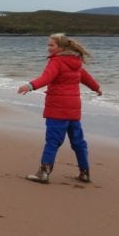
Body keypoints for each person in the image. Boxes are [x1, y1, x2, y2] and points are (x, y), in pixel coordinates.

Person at [17, 33, 102, 184]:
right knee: (78, 142)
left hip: (58, 108)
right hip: (73, 109)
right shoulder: (75, 62)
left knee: (53, 141)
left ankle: (44, 173)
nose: (48, 48)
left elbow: (46, 78)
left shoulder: (56, 62)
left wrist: (29, 86)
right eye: (48, 45)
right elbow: (87, 78)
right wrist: (97, 88)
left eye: (51, 45)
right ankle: (85, 173)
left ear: (61, 47)